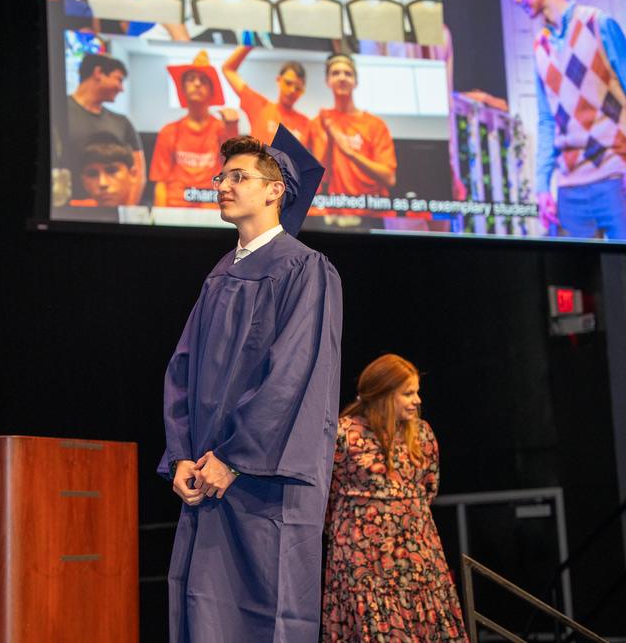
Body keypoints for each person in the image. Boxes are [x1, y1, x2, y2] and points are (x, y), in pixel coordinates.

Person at [157, 126, 343, 642]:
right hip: (207, 478)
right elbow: (181, 372)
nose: (224, 186)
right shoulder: (219, 276)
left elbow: (293, 376)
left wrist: (235, 458)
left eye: (239, 177)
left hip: (264, 484)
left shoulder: (305, 269)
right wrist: (182, 457)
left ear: (275, 190)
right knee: (205, 616)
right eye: (222, 178)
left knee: (265, 616)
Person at [492, 0, 626, 240]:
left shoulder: (598, 24)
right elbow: (547, 121)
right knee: (574, 268)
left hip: (614, 180)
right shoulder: (540, 47)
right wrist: (542, 186)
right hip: (570, 192)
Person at [322, 354, 467, 641]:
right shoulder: (344, 434)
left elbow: (429, 486)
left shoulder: (422, 435)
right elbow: (327, 492)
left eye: (417, 392)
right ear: (384, 395)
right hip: (364, 557)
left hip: (416, 552)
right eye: (408, 393)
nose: (417, 400)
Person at [150, 52, 239, 208]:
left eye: (203, 80)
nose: (197, 84)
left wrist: (232, 129)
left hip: (212, 208)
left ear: (212, 90)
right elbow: (161, 183)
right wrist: (159, 218)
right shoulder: (168, 131)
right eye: (191, 79)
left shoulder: (222, 129)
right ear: (183, 88)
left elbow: (234, 170)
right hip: (175, 208)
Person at [305, 54, 397, 202]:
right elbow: (318, 178)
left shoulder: (375, 124)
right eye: (335, 73)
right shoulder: (318, 123)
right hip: (334, 207)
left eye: (348, 73)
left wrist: (350, 153)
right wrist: (331, 139)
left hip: (371, 207)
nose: (342, 78)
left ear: (356, 82)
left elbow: (389, 178)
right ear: (328, 81)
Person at [64, 53, 146, 203]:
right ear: (98, 73)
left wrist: (127, 211)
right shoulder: (59, 111)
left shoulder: (122, 122)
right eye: (119, 79)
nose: (121, 88)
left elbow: (138, 173)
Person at [222, 45, 311, 144]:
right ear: (278, 80)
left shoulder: (306, 124)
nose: (292, 91)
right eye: (288, 83)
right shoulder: (259, 106)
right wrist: (248, 43)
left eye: (298, 89)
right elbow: (228, 69)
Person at [69, 133, 140, 207]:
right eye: (92, 174)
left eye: (112, 171)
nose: (102, 183)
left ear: (133, 175)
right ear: (83, 181)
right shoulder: (73, 210)